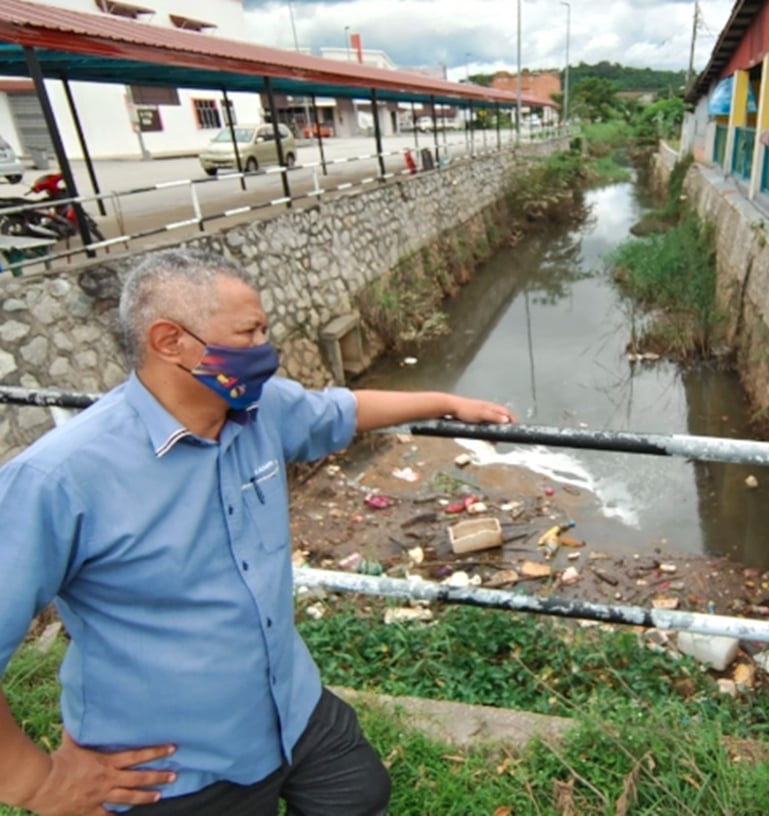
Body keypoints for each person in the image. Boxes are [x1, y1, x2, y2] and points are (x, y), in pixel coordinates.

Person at [0, 249, 516, 815]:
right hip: (174, 766)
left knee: (359, 792)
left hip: (290, 708)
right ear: (170, 341)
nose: (264, 353)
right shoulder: (60, 479)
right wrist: (36, 783)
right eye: (248, 333)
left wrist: (449, 400)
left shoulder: (258, 411)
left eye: (265, 330)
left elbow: (341, 409)